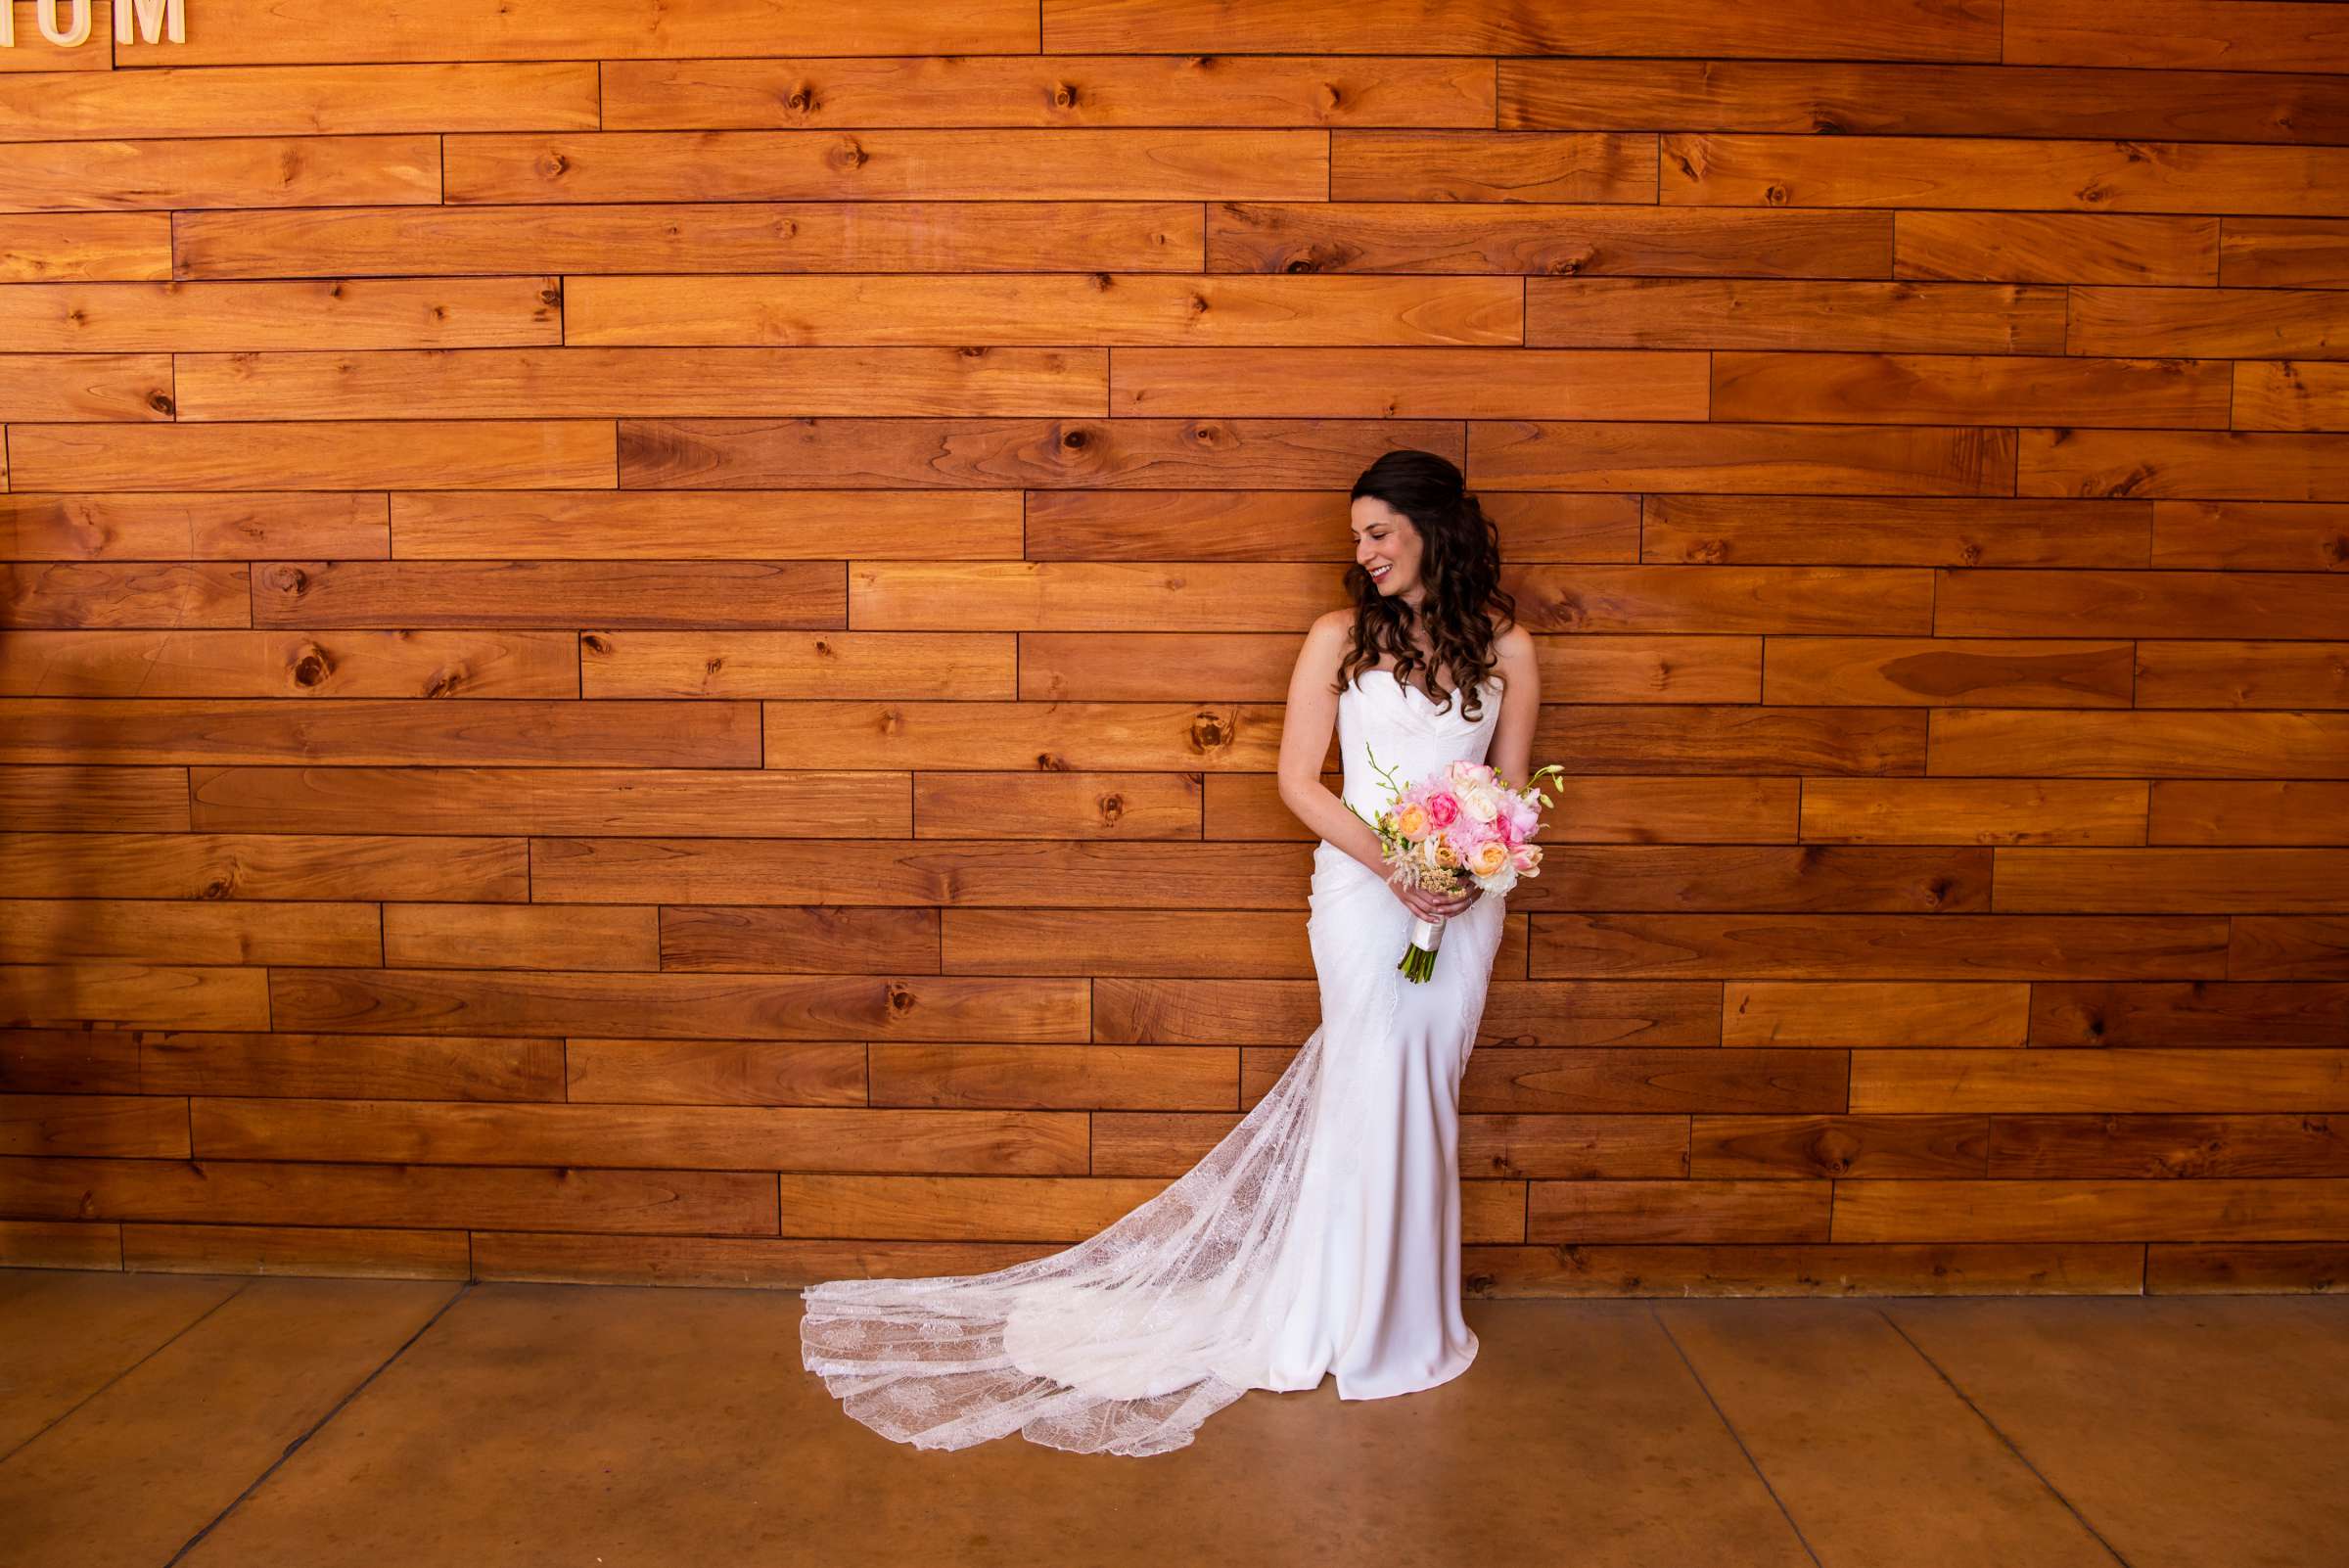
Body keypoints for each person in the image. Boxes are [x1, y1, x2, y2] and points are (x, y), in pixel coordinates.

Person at [799, 448, 1538, 1455]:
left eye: (1378, 532)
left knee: (1428, 1085)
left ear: (1432, 527)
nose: (1362, 552)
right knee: (1372, 1079)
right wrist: (1399, 867)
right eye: (1355, 536)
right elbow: (1300, 783)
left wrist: (1471, 865)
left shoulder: (1509, 648)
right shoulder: (1336, 639)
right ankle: (1347, 1320)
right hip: (1365, 897)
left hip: (1459, 906)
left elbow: (1513, 791)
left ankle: (1411, 1321)